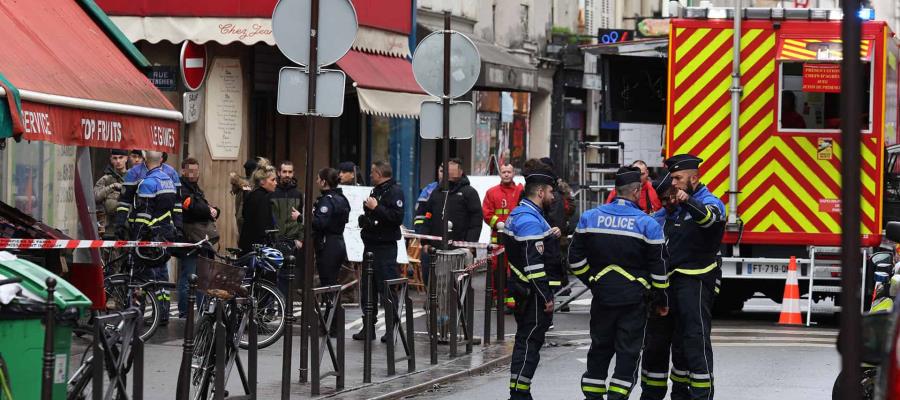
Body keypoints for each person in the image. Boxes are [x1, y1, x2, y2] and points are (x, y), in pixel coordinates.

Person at [567, 166, 668, 399]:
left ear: (616, 190)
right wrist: (661, 299)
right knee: (628, 354)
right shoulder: (648, 224)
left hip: (602, 297)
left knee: (599, 350)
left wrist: (592, 280)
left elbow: (574, 259)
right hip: (634, 301)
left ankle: (592, 396)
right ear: (636, 192)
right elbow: (659, 269)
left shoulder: (590, 218)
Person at [660, 154, 726, 400]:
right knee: (679, 344)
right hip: (675, 282)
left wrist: (688, 202)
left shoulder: (710, 202)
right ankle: (679, 394)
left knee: (695, 340)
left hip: (696, 282)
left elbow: (709, 218)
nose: (674, 183)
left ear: (694, 178)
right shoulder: (676, 207)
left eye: (678, 178)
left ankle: (702, 395)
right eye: (672, 178)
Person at [503, 160, 559, 400]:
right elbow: (533, 264)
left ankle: (519, 391)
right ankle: (520, 394)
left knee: (525, 342)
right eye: (551, 192)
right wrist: (546, 296)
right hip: (532, 294)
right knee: (529, 344)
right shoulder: (528, 219)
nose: (553, 196)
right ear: (540, 191)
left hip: (525, 290)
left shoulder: (525, 214)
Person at [639, 172, 685, 400]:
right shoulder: (655, 220)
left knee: (682, 348)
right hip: (659, 295)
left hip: (682, 292)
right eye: (663, 200)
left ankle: (680, 393)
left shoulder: (690, 217)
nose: (668, 203)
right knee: (654, 348)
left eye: (671, 197)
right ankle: (651, 394)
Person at [125, 151, 182, 325]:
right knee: (162, 276)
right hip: (165, 234)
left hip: (149, 236)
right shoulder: (168, 180)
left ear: (145, 160)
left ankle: (138, 313)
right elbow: (175, 207)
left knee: (143, 276)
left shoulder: (148, 183)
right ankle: (163, 313)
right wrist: (178, 228)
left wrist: (137, 235)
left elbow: (144, 213)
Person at [353, 160, 405, 342]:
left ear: (379, 173)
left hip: (385, 247)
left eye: (372, 172)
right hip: (371, 245)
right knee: (368, 288)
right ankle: (368, 327)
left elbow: (396, 217)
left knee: (387, 288)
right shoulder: (376, 190)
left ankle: (391, 330)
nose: (370, 175)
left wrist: (377, 208)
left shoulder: (394, 191)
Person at [177, 157, 220, 317]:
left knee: (202, 278)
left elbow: (202, 206)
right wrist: (209, 210)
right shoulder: (181, 188)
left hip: (200, 240)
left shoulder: (195, 188)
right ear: (183, 171)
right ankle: (183, 314)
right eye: (190, 170)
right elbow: (193, 208)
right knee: (188, 276)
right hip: (189, 239)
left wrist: (214, 209)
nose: (194, 174)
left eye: (196, 170)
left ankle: (202, 310)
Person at [113, 151, 182, 240]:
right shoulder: (134, 172)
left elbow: (177, 204)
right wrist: (120, 225)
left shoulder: (172, 173)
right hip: (145, 226)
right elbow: (124, 202)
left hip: (156, 228)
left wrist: (179, 227)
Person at [482, 163, 523, 309]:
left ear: (513, 174)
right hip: (498, 238)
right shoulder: (492, 192)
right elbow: (486, 213)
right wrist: (499, 223)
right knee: (497, 269)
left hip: (516, 236)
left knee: (515, 269)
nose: (506, 174)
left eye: (509, 172)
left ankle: (512, 298)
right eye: (504, 172)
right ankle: (497, 296)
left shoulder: (520, 191)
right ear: (500, 174)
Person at [420, 158, 482, 248]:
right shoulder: (436, 192)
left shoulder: (469, 193)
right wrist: (425, 242)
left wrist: (470, 244)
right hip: (435, 248)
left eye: (453, 169)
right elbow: (428, 216)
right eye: (448, 169)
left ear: (460, 172)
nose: (450, 172)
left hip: (461, 249)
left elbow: (476, 222)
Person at [312, 168, 350, 286]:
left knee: (328, 282)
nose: (317, 182)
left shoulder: (327, 200)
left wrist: (301, 217)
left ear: (324, 182)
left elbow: (320, 223)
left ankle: (331, 304)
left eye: (318, 179)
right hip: (339, 242)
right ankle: (334, 304)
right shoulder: (342, 198)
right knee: (333, 281)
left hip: (327, 244)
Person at [271, 160, 304, 295]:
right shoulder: (272, 192)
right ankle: (271, 308)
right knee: (271, 274)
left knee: (286, 276)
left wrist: (300, 238)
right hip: (274, 239)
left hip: (291, 240)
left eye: (290, 172)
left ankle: (283, 308)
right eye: (284, 171)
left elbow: (301, 218)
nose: (287, 175)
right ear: (279, 173)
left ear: (293, 173)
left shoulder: (298, 194)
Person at [238, 165, 277, 253]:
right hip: (258, 249)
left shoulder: (252, 195)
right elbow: (263, 227)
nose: (276, 183)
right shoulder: (264, 198)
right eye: (273, 180)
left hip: (247, 245)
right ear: (262, 181)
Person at [94, 149, 129, 237]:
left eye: (121, 158)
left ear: (126, 159)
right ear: (111, 159)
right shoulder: (106, 179)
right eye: (115, 158)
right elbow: (95, 197)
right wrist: (111, 186)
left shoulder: (133, 177)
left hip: (128, 225)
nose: (118, 161)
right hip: (110, 226)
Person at [232, 157, 270, 235]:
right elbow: (241, 206)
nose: (246, 172)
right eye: (246, 169)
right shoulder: (244, 185)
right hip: (244, 219)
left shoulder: (248, 184)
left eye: (248, 169)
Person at [413, 165, 442, 232]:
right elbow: (420, 215)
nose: (443, 174)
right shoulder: (429, 190)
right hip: (431, 233)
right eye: (441, 171)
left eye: (446, 171)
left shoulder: (459, 190)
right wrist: (420, 232)